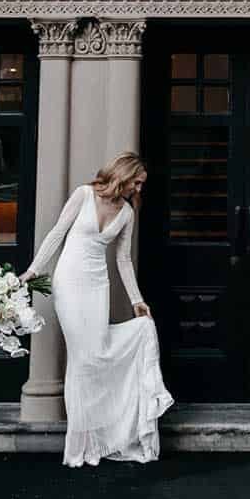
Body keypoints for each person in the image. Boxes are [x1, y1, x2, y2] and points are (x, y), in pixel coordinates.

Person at [25, 151, 175, 467]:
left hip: (97, 287)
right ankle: (77, 447)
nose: (139, 188)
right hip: (68, 284)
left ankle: (101, 437)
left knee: (96, 354)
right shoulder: (83, 195)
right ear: (124, 174)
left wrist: (137, 300)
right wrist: (34, 270)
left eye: (141, 184)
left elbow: (123, 259)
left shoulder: (127, 213)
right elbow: (57, 234)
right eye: (137, 181)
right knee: (81, 359)